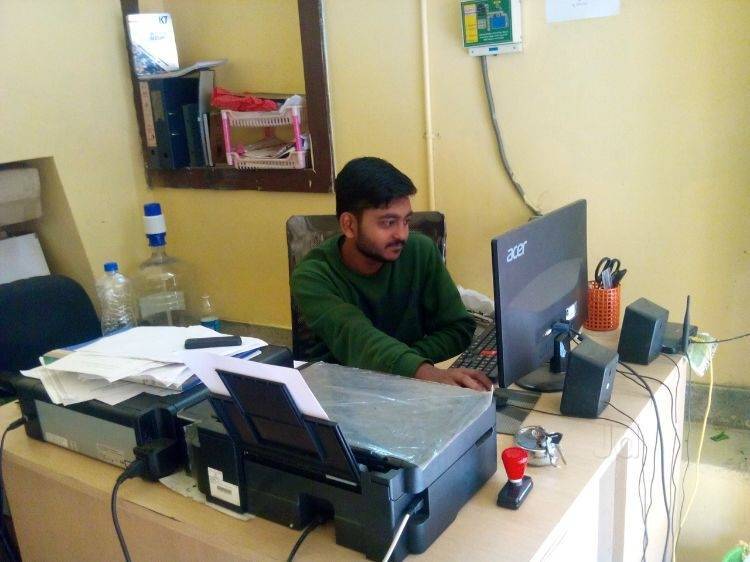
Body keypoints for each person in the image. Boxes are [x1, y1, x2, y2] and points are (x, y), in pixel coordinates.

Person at [291, 157, 493, 391]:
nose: (402, 234)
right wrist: (420, 370)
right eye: (388, 223)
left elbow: (459, 329)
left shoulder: (421, 251)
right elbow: (356, 337)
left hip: (410, 388)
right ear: (349, 225)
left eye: (406, 221)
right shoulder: (312, 276)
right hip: (342, 392)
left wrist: (406, 365)